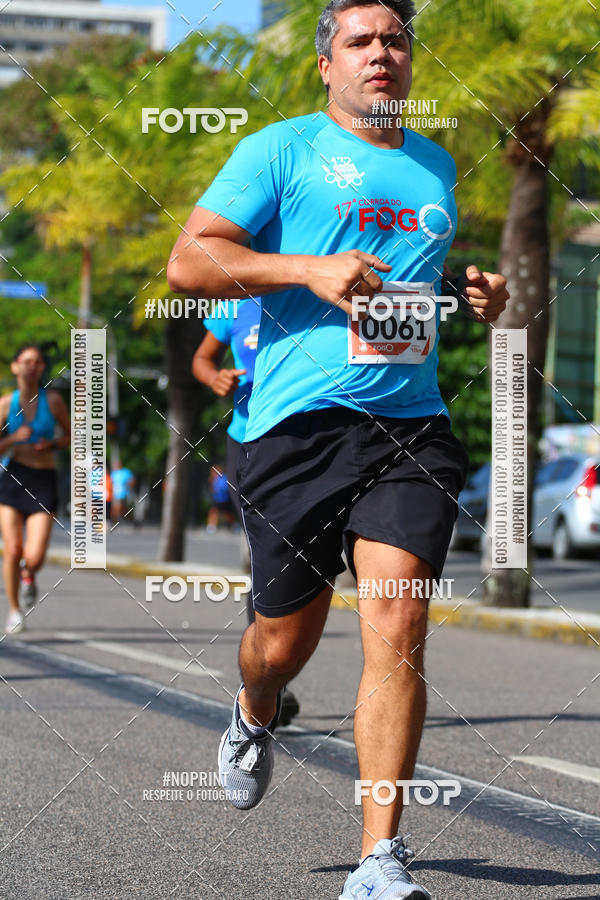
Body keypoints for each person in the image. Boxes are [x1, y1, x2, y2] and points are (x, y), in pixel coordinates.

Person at [167, 1, 509, 897]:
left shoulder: (435, 167)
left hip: (411, 427)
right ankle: (255, 709)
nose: (380, 54)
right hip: (296, 431)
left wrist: (469, 290)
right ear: (329, 65)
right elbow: (190, 262)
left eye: (395, 39)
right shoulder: (279, 149)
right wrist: (306, 270)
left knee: (396, 623)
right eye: (360, 41)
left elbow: (408, 278)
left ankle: (379, 859)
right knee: (279, 643)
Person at [192, 298, 301, 726]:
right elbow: (202, 358)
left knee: (299, 556)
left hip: (307, 437)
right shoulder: (233, 307)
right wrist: (214, 376)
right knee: (266, 554)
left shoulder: (310, 289)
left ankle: (270, 675)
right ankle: (272, 681)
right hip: (248, 441)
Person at [0, 345, 70, 634]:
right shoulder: (5, 404)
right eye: (27, 361)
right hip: (13, 477)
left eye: (38, 362)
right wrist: (13, 437)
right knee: (13, 549)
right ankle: (15, 610)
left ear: (42, 368)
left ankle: (29, 575)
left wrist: (51, 444)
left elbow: (69, 435)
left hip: (44, 479)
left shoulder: (53, 400)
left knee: (35, 555)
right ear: (16, 366)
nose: (32, 366)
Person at [206, 463, 236, 532]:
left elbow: (224, 488)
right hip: (218, 500)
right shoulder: (214, 479)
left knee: (228, 514)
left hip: (225, 499)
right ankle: (211, 526)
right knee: (213, 512)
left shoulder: (223, 478)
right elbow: (213, 490)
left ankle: (233, 525)